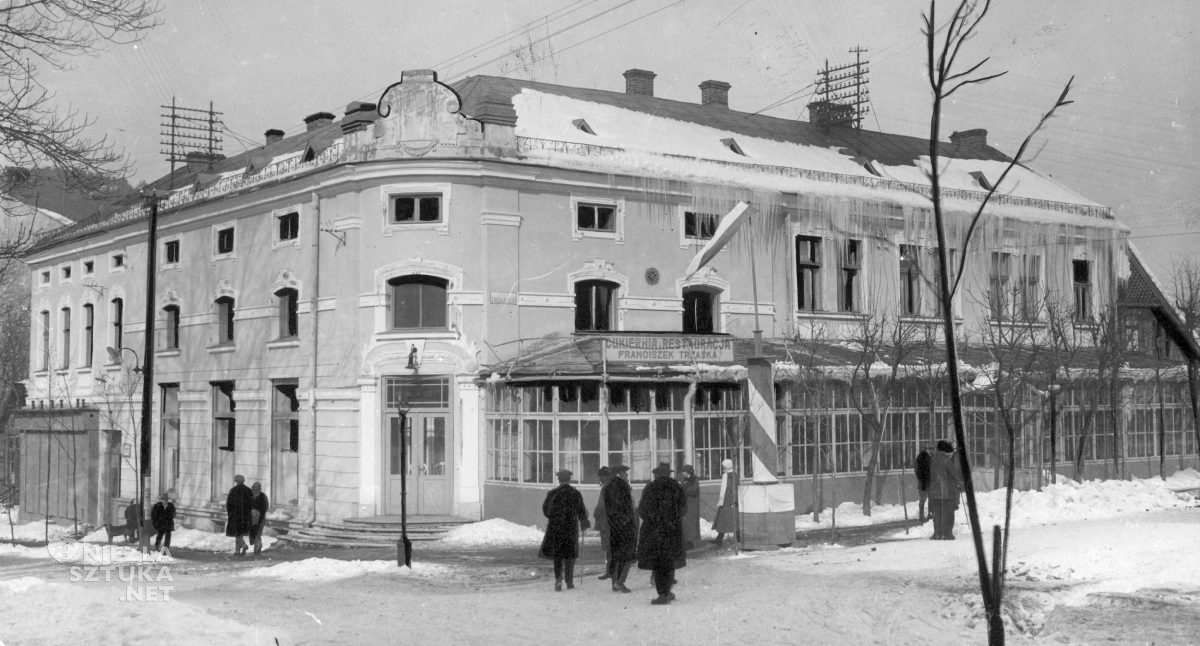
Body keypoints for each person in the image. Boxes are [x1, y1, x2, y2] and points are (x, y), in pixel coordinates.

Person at [637, 463, 687, 605]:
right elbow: (684, 509)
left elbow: (642, 510)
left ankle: (662, 594)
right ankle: (668, 591)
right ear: (668, 474)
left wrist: (652, 519)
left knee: (658, 563)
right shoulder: (677, 487)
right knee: (670, 561)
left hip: (654, 531)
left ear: (657, 475)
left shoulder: (650, 488)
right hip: (673, 530)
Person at [538, 469, 590, 591]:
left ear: (559, 479)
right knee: (570, 555)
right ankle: (569, 581)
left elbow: (546, 511)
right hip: (570, 528)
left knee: (558, 556)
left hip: (555, 528)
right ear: (569, 479)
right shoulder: (575, 493)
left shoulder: (552, 493)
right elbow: (582, 511)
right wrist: (583, 522)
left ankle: (558, 580)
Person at [603, 464, 638, 593]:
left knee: (616, 555)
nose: (627, 475)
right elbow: (624, 506)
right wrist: (628, 519)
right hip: (625, 525)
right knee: (628, 555)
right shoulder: (622, 487)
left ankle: (614, 582)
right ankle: (620, 582)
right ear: (619, 474)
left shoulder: (607, 487)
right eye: (625, 473)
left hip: (614, 525)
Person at [928, 440, 963, 540]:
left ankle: (937, 533)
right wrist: (960, 483)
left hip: (934, 492)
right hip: (946, 492)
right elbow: (954, 473)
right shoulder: (946, 460)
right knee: (948, 513)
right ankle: (947, 534)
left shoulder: (932, 460)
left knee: (937, 514)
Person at [225, 474, 254, 556]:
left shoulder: (233, 490)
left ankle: (243, 545)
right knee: (240, 533)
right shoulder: (248, 490)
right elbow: (251, 503)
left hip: (235, 516)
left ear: (236, 481)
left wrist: (230, 513)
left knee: (237, 533)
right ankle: (237, 551)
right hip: (245, 516)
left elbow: (229, 504)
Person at [712, 458, 739, 546]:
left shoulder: (730, 475)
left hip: (728, 501)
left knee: (726, 519)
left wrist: (732, 500)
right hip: (727, 500)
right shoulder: (731, 475)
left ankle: (721, 539)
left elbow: (732, 489)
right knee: (727, 519)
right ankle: (734, 538)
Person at [594, 466, 613, 580]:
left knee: (608, 548)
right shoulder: (616, 486)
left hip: (606, 522)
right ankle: (612, 570)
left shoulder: (605, 489)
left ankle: (609, 571)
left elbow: (600, 506)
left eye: (601, 476)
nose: (600, 479)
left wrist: (595, 514)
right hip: (614, 522)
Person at [678, 464, 701, 550]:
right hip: (686, 504)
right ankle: (687, 543)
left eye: (683, 471)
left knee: (690, 525)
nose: (682, 473)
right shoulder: (685, 480)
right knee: (685, 524)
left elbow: (694, 491)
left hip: (692, 506)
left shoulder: (694, 480)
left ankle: (690, 543)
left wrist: (685, 488)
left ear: (687, 472)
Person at [249, 482, 270, 556]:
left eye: (256, 488)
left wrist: (258, 511)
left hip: (260, 518)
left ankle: (257, 548)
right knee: (253, 533)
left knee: (257, 533)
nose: (255, 489)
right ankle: (258, 545)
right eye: (254, 488)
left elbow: (266, 507)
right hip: (251, 518)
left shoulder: (263, 496)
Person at [915, 444, 933, 523]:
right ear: (925, 449)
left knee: (929, 499)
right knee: (923, 499)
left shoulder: (929, 457)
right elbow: (918, 470)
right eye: (929, 449)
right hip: (924, 482)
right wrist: (922, 480)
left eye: (931, 449)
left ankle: (929, 515)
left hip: (928, 482)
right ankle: (922, 516)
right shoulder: (922, 457)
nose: (930, 450)